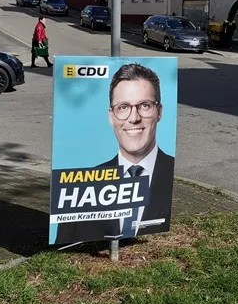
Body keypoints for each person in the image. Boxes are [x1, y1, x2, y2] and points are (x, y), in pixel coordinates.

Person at [55, 63, 174, 244]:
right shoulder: (82, 186)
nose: (134, 118)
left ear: (159, 112)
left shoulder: (173, 175)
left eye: (144, 105)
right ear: (111, 116)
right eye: (123, 107)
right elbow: (64, 251)